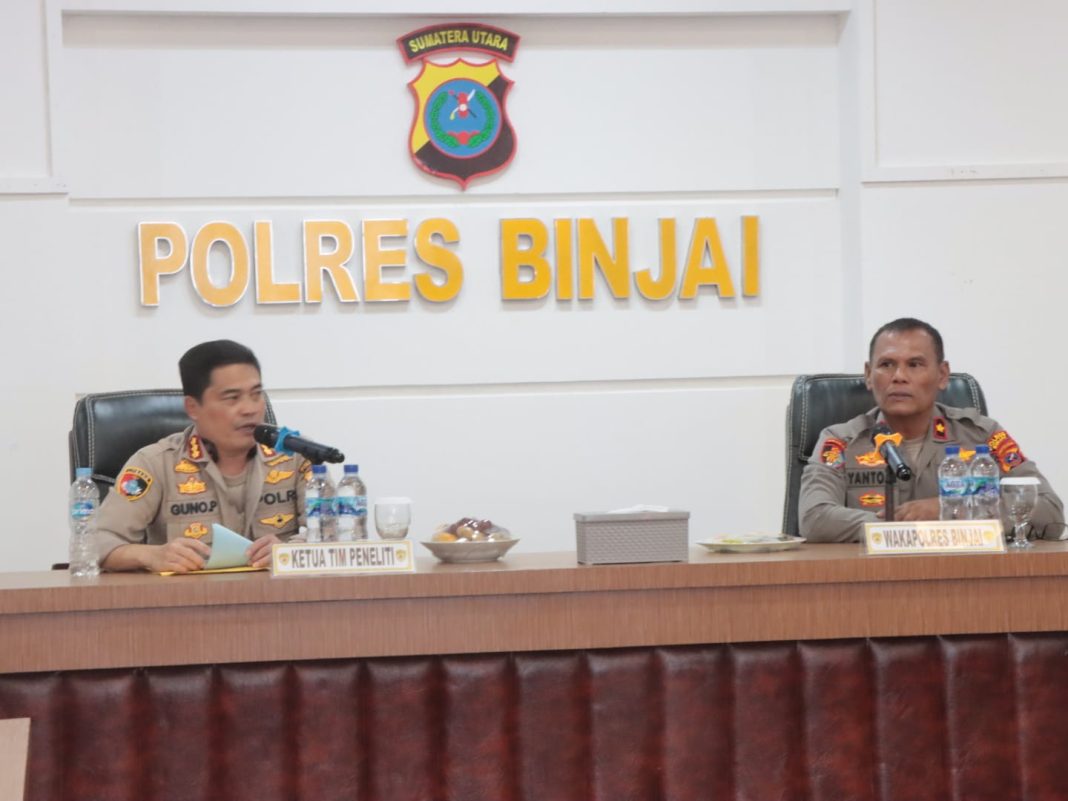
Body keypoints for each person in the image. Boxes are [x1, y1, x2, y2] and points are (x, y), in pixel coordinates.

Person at [799, 318, 1064, 543]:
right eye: (887, 364)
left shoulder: (982, 435)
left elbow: (1049, 510)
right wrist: (900, 529)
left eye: (914, 364)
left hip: (968, 578)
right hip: (874, 580)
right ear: (869, 375)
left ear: (942, 374)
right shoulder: (841, 441)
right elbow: (814, 518)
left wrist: (951, 510)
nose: (899, 376)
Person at [95, 340, 308, 572]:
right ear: (193, 408)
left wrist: (289, 552)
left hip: (277, 593)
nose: (250, 409)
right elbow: (96, 543)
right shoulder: (155, 463)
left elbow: (333, 534)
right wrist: (151, 555)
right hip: (187, 594)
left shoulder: (296, 456)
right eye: (232, 398)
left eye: (256, 394)